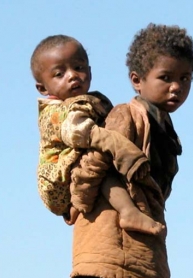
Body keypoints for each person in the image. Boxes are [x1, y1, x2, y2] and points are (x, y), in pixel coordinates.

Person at [70, 24, 193, 278]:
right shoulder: (127, 114)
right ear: (137, 80)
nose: (176, 87)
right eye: (166, 78)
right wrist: (77, 200)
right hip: (107, 227)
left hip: (129, 237)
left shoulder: (164, 127)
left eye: (185, 79)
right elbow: (95, 161)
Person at [32, 35, 165, 236]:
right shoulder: (57, 113)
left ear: (89, 71)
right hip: (56, 180)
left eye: (78, 67)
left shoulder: (91, 100)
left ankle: (78, 205)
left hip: (68, 177)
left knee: (97, 160)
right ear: (43, 88)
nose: (72, 75)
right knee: (100, 165)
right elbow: (83, 133)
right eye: (59, 74)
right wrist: (121, 147)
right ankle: (128, 211)